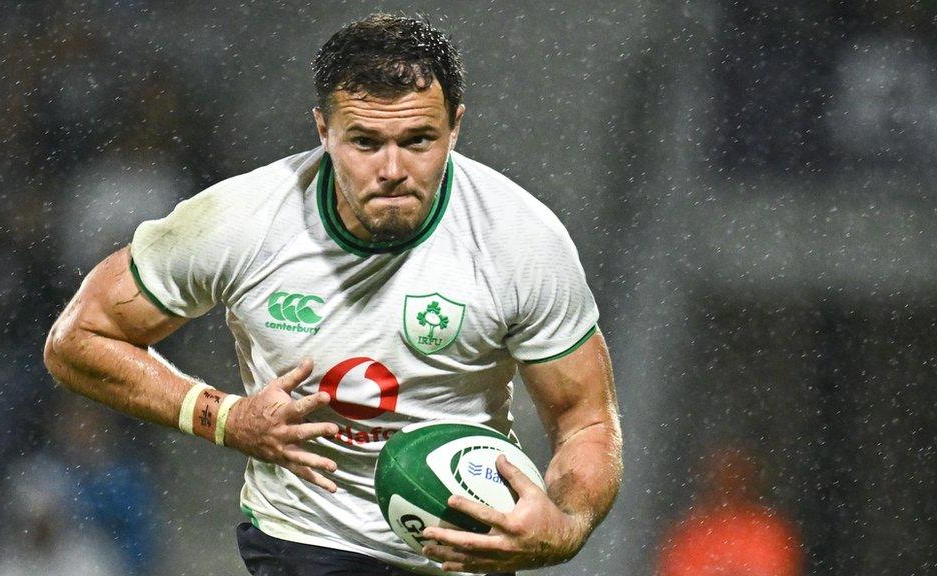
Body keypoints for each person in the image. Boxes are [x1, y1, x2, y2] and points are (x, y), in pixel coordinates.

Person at [44, 13, 622, 576]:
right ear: (323, 130)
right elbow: (78, 338)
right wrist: (224, 418)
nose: (393, 169)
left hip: (467, 547)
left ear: (456, 126)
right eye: (365, 142)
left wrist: (564, 526)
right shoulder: (242, 221)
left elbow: (586, 419)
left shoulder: (520, 237)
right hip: (306, 541)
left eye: (419, 139)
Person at [654, 446, 803, 576]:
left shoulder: (767, 530)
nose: (729, 481)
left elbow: (777, 568)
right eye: (722, 473)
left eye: (736, 473)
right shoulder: (692, 533)